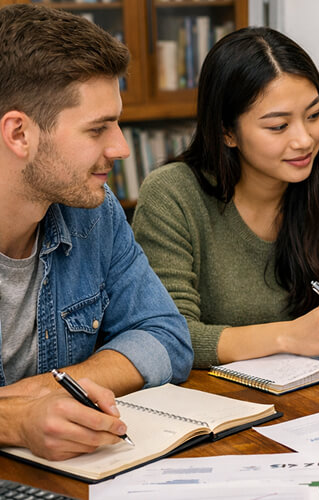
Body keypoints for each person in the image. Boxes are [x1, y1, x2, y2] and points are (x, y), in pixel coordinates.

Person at [132, 27, 319, 370]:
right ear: (227, 132)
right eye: (278, 126)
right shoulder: (172, 195)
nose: (304, 140)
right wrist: (288, 336)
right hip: (214, 397)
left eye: (313, 115)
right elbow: (170, 335)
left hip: (318, 386)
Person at [0, 5, 192, 461]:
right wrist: (12, 420)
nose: (121, 147)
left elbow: (166, 336)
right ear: (19, 134)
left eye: (118, 123)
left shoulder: (93, 214)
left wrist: (42, 391)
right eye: (97, 129)